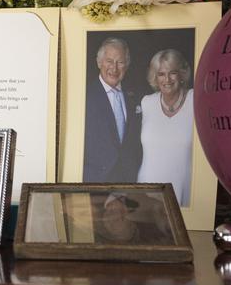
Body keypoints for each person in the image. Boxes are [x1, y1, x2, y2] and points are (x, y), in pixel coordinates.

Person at [136, 48, 195, 206]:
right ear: (155, 77)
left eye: (172, 73)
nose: (167, 79)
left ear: (182, 74)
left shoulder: (194, 100)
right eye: (161, 74)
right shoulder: (146, 102)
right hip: (147, 189)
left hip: (185, 189)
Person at [83, 37, 142, 182]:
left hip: (128, 180)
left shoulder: (134, 96)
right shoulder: (84, 95)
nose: (114, 68)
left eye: (120, 62)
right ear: (99, 62)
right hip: (95, 181)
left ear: (126, 65)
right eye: (109, 61)